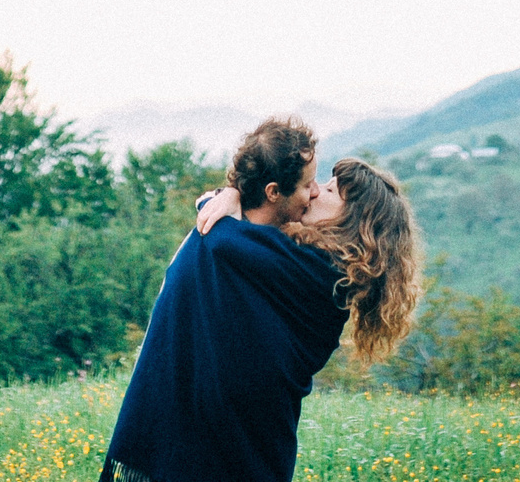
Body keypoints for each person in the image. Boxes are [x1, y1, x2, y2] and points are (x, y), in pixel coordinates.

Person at [101, 117, 422, 482]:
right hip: (247, 450)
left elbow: (221, 237)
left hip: (232, 449)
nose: (316, 192)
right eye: (317, 184)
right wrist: (233, 195)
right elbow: (241, 238)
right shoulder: (292, 255)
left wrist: (225, 196)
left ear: (354, 221)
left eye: (331, 192)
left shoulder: (320, 274)